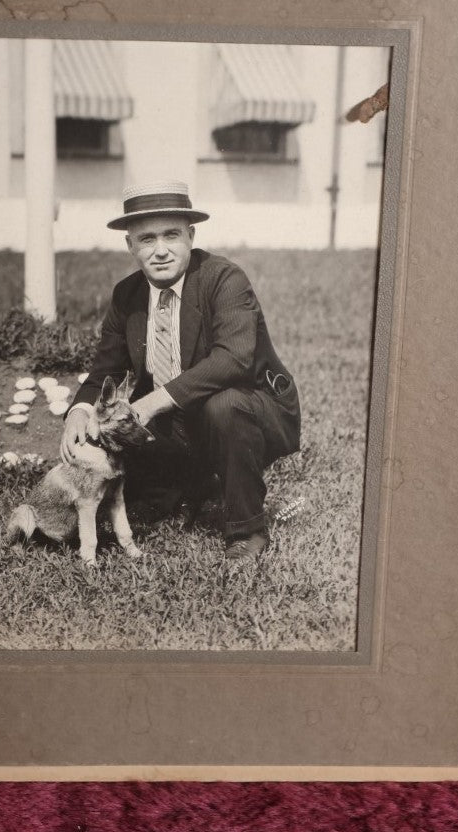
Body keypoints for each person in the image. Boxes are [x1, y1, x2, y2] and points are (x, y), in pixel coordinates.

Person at [60, 181, 300, 559]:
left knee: (222, 406)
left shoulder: (224, 279)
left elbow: (232, 360)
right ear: (130, 246)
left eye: (171, 235)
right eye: (146, 239)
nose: (159, 250)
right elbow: (104, 368)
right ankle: (185, 487)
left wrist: (153, 402)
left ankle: (246, 529)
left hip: (250, 407)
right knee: (129, 473)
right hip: (178, 416)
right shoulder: (127, 295)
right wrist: (78, 412)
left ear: (190, 235)